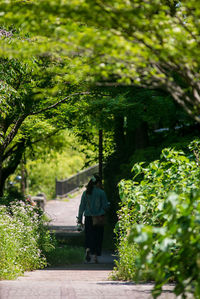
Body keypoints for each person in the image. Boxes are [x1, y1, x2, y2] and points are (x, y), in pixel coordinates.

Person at [77, 174, 109, 263]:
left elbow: (81, 206)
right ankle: (95, 256)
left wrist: (79, 219)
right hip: (99, 218)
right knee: (98, 236)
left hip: (88, 217)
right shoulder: (101, 192)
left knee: (89, 235)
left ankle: (88, 249)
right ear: (98, 183)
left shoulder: (86, 193)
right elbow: (105, 206)